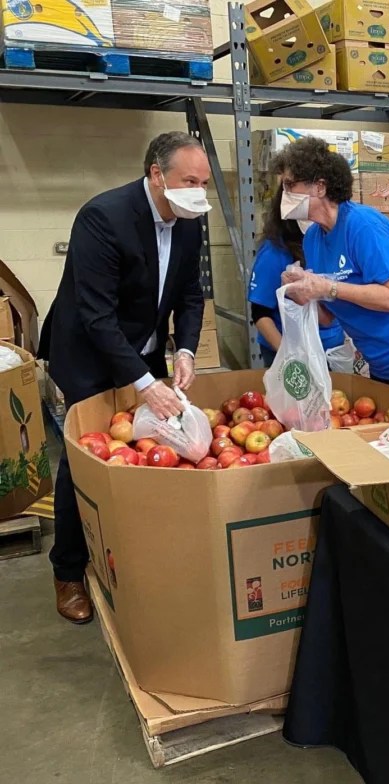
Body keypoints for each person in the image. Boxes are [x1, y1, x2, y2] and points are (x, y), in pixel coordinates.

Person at [38, 132, 211, 623]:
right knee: (87, 456)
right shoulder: (103, 217)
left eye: (203, 183)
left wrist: (187, 352)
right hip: (90, 354)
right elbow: (96, 315)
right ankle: (68, 569)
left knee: (154, 446)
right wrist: (144, 384)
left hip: (147, 349)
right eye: (188, 181)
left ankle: (132, 552)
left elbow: (190, 296)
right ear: (157, 175)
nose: (197, 192)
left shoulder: (188, 222)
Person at [269, 137, 389, 403]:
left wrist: (327, 287)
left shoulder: (363, 225)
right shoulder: (313, 239)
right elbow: (328, 318)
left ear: (320, 187)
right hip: (382, 363)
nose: (284, 195)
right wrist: (304, 293)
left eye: (289, 185)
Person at [248, 184, 346, 368]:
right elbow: (260, 312)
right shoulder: (275, 252)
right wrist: (287, 355)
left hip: (331, 347)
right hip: (291, 349)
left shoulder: (334, 243)